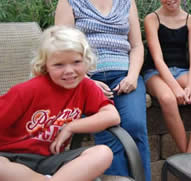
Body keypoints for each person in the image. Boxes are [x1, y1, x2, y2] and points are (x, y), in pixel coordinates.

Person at [54, 0, 151, 179]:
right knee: (107, 133)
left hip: (124, 76)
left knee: (136, 127)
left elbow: (137, 45)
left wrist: (131, 76)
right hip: (87, 79)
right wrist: (86, 81)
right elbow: (62, 47)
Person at [0, 25, 120, 181]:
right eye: (59, 65)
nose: (69, 70)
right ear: (45, 66)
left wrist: (71, 127)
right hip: (11, 157)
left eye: (76, 62)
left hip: (50, 161)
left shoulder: (85, 86)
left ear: (86, 60)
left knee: (103, 153)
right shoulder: (26, 91)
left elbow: (112, 116)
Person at [142, 0, 191, 153]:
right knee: (167, 98)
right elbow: (157, 58)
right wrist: (175, 87)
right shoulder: (152, 19)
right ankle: (186, 155)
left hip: (182, 70)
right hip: (156, 72)